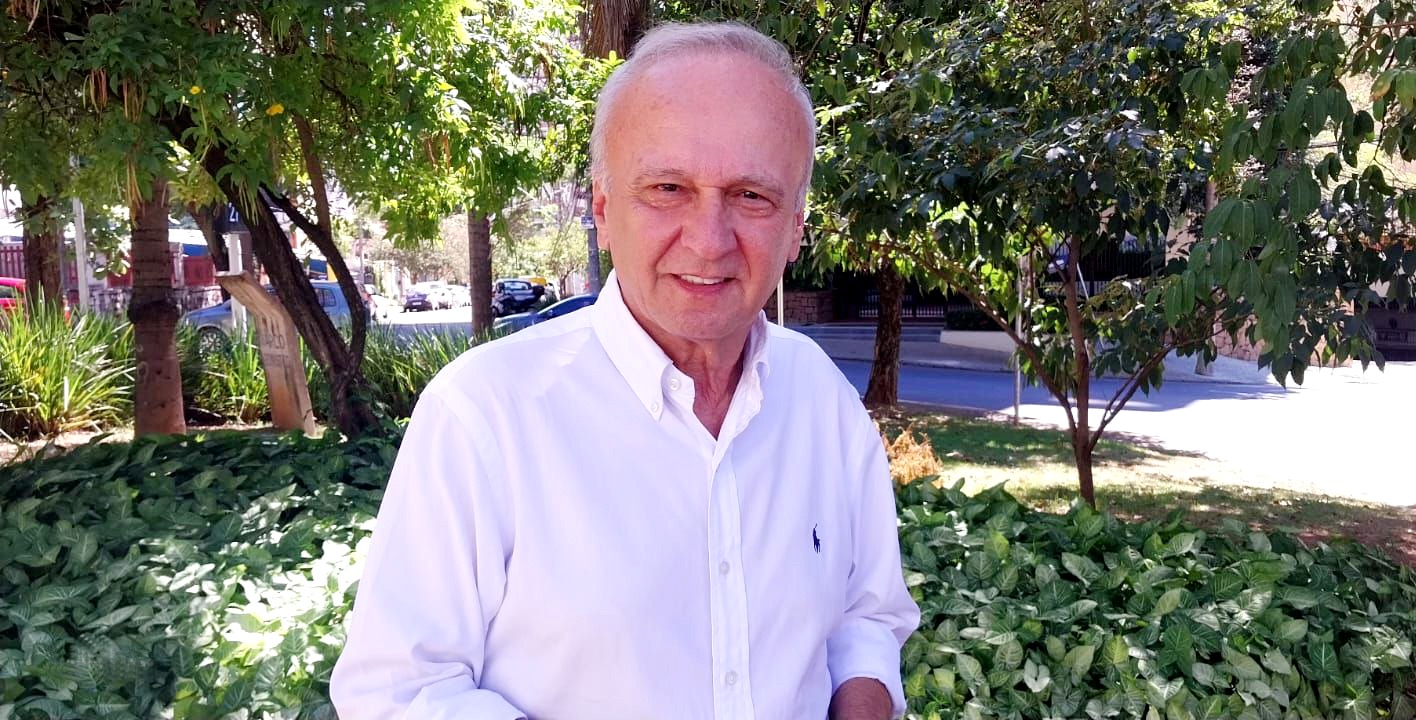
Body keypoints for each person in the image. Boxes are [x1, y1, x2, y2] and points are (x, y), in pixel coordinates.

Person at [331, 21, 920, 720]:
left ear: (795, 225)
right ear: (605, 212)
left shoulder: (820, 397)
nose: (709, 240)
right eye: (668, 188)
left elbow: (865, 615)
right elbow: (399, 692)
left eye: (751, 196)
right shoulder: (484, 415)